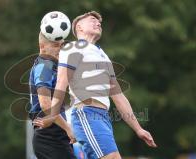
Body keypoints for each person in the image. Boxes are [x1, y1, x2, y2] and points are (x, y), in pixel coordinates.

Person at [35, 11, 157, 159]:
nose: (98, 23)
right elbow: (61, 83)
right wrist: (52, 115)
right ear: (79, 27)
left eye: (99, 22)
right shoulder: (72, 48)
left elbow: (118, 96)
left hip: (103, 118)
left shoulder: (103, 55)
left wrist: (138, 129)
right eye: (92, 20)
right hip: (86, 114)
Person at [28, 32, 76, 159]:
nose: (60, 49)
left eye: (62, 45)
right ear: (42, 46)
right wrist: (68, 128)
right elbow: (46, 105)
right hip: (50, 136)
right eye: (56, 45)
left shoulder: (50, 66)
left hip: (54, 135)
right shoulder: (45, 66)